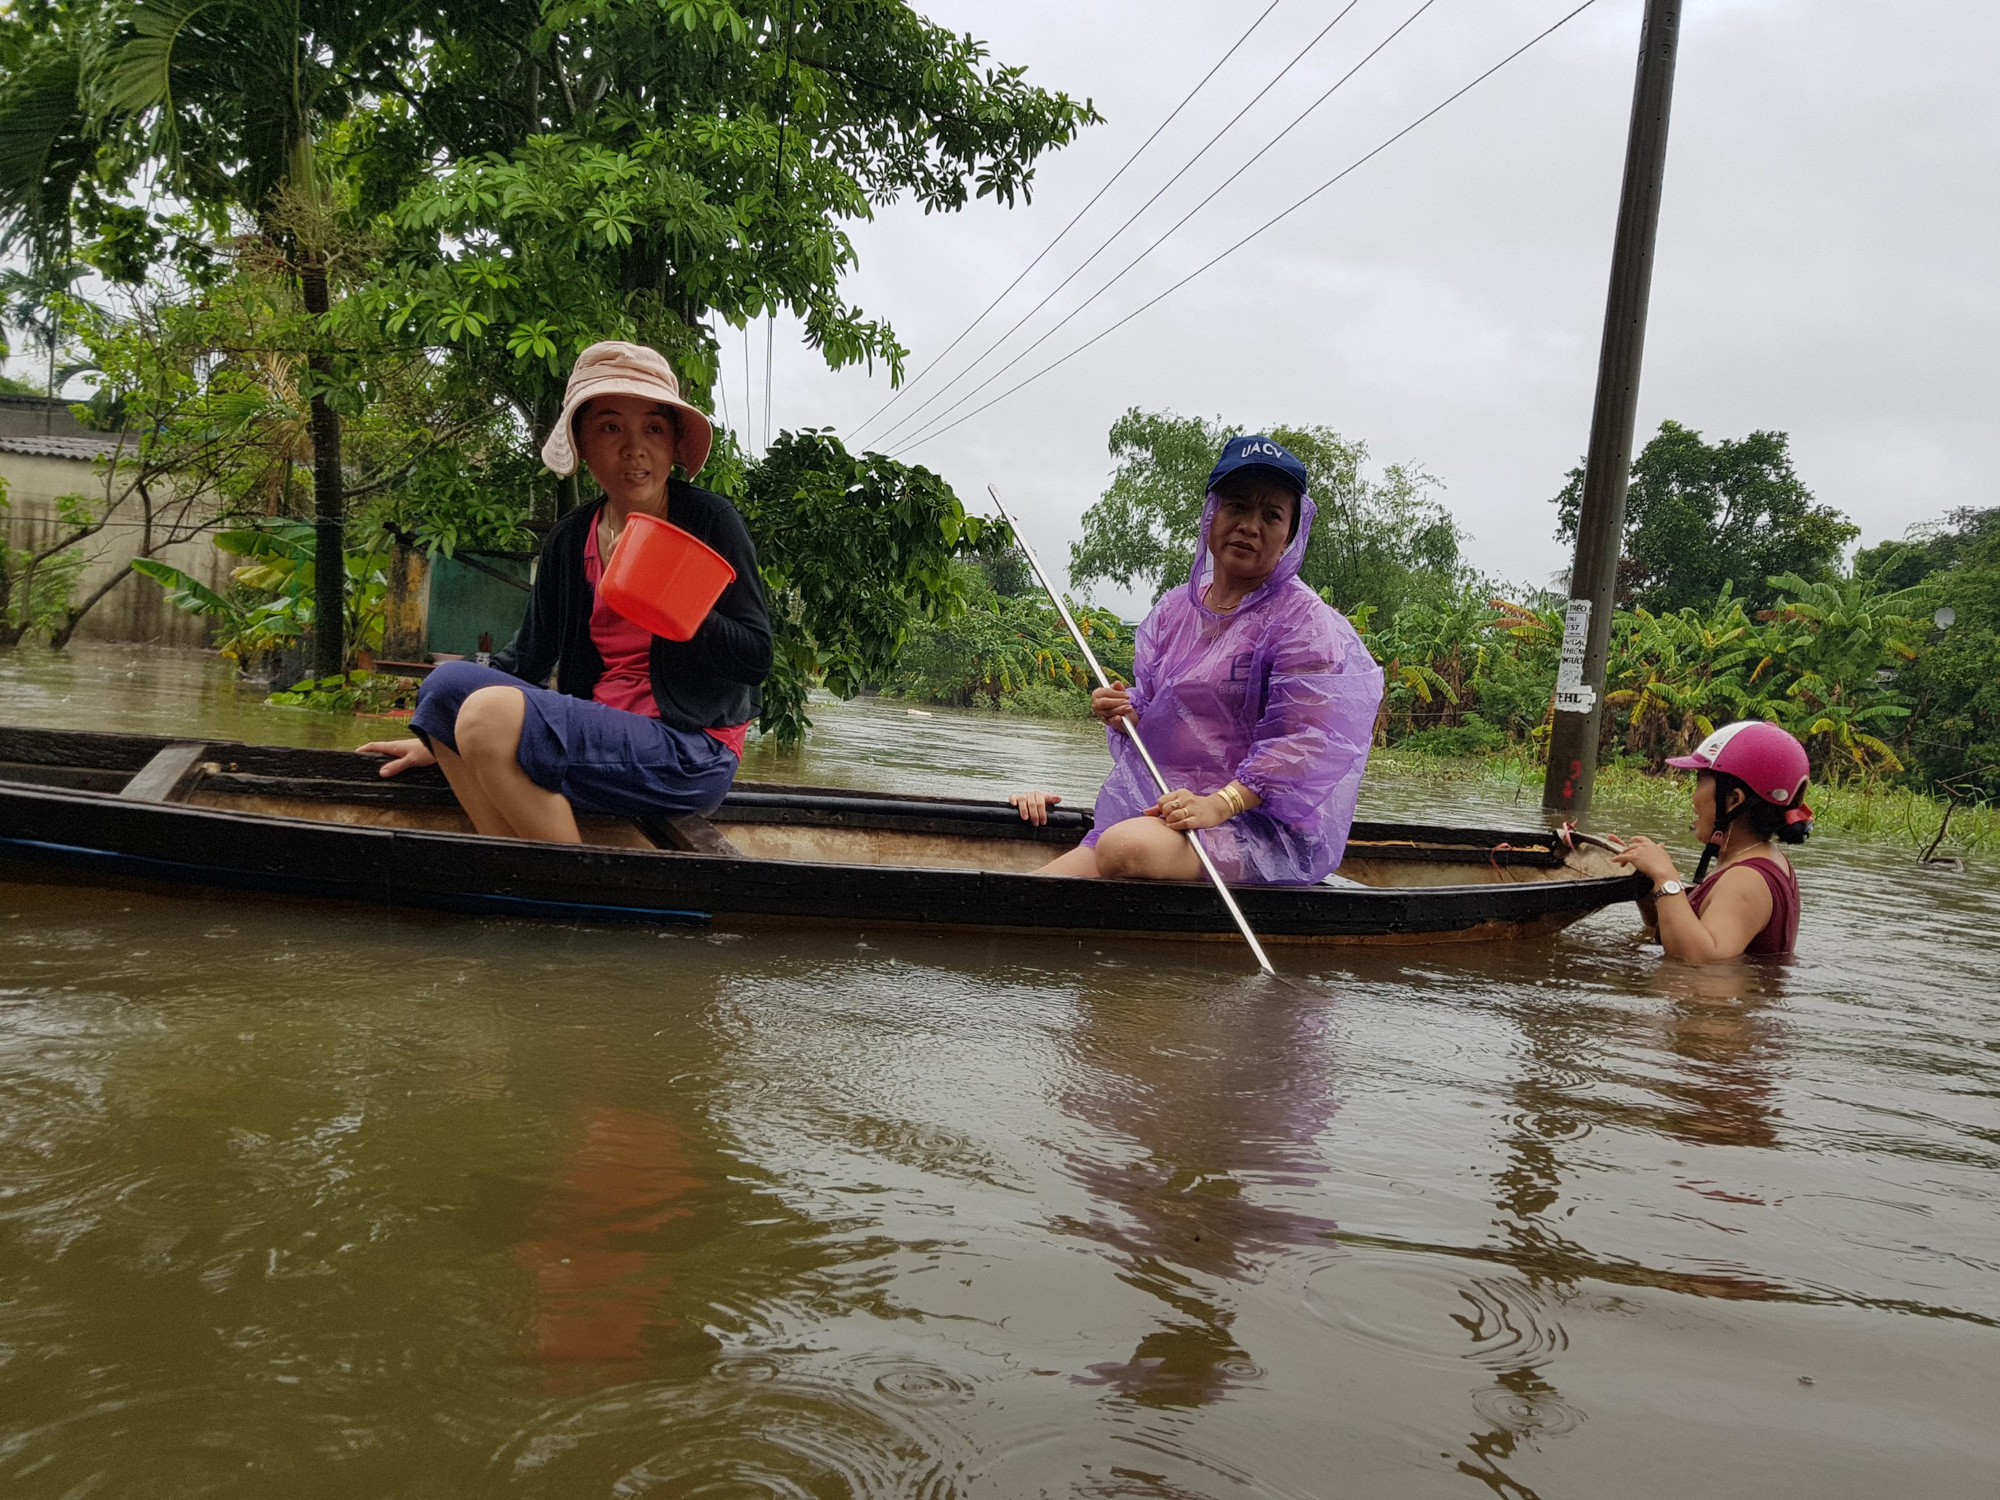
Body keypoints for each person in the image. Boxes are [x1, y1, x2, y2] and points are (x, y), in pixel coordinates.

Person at [359, 341, 772, 842]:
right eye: (610, 427)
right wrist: (438, 736)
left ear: (672, 445)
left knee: (488, 718)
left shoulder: (709, 522)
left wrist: (661, 596)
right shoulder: (572, 537)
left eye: (654, 429)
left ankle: (564, 882)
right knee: (445, 690)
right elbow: (526, 660)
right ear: (582, 443)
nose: (634, 448)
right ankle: (509, 856)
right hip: (596, 731)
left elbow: (754, 658)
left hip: (689, 747)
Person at [1008, 434, 1383, 884]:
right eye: (1237, 506)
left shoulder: (1302, 623)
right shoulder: (1173, 611)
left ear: (1290, 534)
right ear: (1212, 514)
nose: (1250, 525)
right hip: (1163, 812)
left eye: (1271, 515)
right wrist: (1125, 711)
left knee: (1125, 849)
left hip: (1259, 829)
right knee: (1031, 889)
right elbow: (1156, 712)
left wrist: (1219, 804)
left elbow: (1308, 744)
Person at [1611, 720, 1812, 960]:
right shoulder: (1759, 859)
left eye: (1698, 783)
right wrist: (1649, 881)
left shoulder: (1746, 879)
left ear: (1733, 800)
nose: (1693, 798)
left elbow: (1700, 959)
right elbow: (1684, 930)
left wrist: (1667, 877)